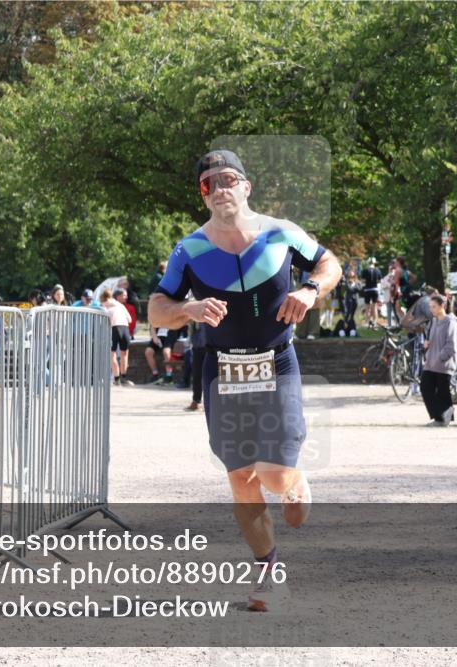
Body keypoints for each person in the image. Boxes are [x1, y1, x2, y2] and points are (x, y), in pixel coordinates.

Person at [147, 148, 341, 612]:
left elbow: (328, 263)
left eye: (228, 179)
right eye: (208, 184)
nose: (219, 189)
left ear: (246, 186)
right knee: (241, 477)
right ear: (202, 195)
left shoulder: (280, 233)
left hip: (276, 361)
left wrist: (309, 289)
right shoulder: (189, 249)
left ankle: (294, 480)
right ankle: (268, 572)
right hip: (223, 369)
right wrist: (187, 310)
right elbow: (157, 309)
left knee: (273, 478)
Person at [420, 294, 457, 426]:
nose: (431, 309)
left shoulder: (450, 322)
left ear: (442, 306)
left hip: (444, 365)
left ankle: (443, 418)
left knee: (443, 392)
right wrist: (427, 345)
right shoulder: (433, 321)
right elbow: (431, 339)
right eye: (430, 306)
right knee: (425, 388)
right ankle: (444, 415)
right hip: (430, 363)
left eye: (434, 306)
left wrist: (440, 357)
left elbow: (452, 345)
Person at [102, 288, 134, 385]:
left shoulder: (103, 304)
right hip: (124, 327)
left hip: (113, 328)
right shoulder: (120, 305)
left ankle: (116, 378)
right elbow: (130, 319)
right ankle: (124, 377)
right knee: (125, 353)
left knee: (112, 354)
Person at [360, 258, 382, 328]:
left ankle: (367, 322)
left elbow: (363, 281)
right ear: (374, 263)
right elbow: (379, 281)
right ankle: (375, 322)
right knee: (375, 306)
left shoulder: (365, 270)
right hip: (375, 289)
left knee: (367, 307)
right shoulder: (377, 270)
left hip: (367, 290)